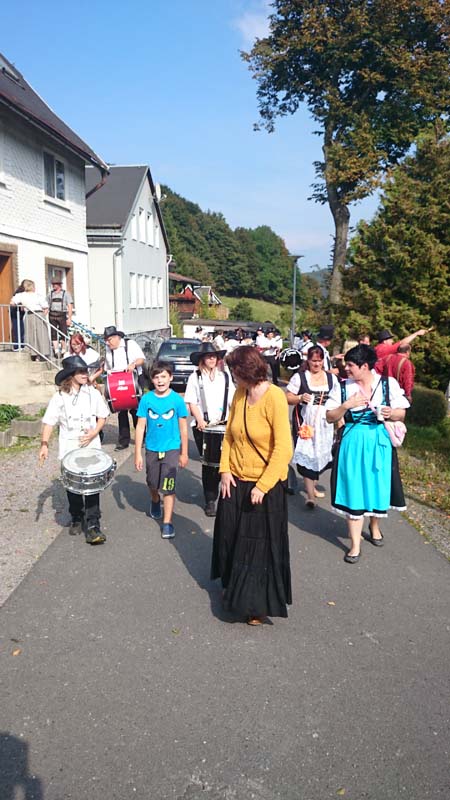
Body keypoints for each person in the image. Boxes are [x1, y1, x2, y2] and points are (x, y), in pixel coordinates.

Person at [211, 346, 293, 625]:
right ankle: (234, 588)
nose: (232, 376)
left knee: (258, 548)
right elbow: (229, 436)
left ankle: (257, 605)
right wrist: (224, 470)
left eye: (234, 371)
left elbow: (283, 448)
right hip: (236, 479)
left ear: (245, 370)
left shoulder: (275, 397)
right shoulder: (240, 393)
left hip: (264, 484)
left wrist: (263, 485)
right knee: (231, 537)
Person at [325, 344, 409, 563]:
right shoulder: (343, 387)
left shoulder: (387, 384)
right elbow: (330, 417)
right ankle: (355, 545)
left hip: (379, 443)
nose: (346, 368)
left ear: (364, 366)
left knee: (376, 486)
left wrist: (391, 412)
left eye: (350, 365)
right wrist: (346, 405)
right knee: (353, 488)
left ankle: (374, 525)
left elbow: (401, 413)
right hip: (352, 443)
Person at [39, 355, 109, 544]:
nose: (86, 374)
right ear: (71, 375)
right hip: (69, 447)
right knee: (73, 486)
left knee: (92, 485)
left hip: (91, 446)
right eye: (81, 371)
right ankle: (77, 516)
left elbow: (103, 416)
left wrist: (94, 432)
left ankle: (93, 525)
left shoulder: (92, 393)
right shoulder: (59, 397)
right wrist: (44, 444)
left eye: (86, 371)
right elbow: (49, 422)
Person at [135, 361, 188, 539]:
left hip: (172, 448)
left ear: (170, 378)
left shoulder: (177, 400)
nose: (160, 381)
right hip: (152, 448)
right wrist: (137, 454)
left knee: (168, 485)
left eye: (164, 376)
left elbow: (183, 428)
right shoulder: (146, 399)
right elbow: (140, 427)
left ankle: (167, 522)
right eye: (156, 377)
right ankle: (155, 499)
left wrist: (184, 452)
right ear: (152, 379)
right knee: (152, 482)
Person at [184, 342, 235, 516]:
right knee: (209, 465)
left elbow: (233, 400)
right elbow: (191, 401)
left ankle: (226, 495)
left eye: (214, 356)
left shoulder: (225, 376)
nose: (212, 359)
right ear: (202, 359)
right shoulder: (195, 377)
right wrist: (200, 420)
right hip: (204, 427)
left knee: (226, 462)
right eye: (208, 356)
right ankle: (210, 499)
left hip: (225, 425)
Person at [286, 346, 338, 508]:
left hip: (325, 424)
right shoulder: (300, 377)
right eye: (313, 360)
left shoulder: (331, 379)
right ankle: (310, 496)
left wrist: (339, 421)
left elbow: (338, 401)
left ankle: (313, 486)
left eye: (319, 361)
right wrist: (300, 397)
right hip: (305, 422)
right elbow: (288, 397)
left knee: (320, 454)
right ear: (308, 360)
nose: (316, 364)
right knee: (307, 453)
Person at [101, 325, 145, 451]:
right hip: (118, 382)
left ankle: (142, 437)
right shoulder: (108, 349)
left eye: (109, 340)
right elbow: (108, 368)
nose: (107, 343)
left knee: (136, 410)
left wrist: (133, 364)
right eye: (106, 340)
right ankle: (123, 441)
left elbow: (141, 359)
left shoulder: (130, 344)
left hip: (134, 379)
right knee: (121, 411)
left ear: (116, 337)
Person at [9, 279, 50, 361]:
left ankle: (36, 354)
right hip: (37, 314)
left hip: (31, 314)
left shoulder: (21, 295)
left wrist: (22, 305)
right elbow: (46, 307)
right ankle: (40, 354)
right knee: (39, 334)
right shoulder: (36, 295)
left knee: (32, 334)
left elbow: (12, 303)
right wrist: (43, 315)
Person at [47, 278, 73, 355]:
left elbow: (70, 306)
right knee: (53, 333)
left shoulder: (66, 293)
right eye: (53, 284)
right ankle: (56, 350)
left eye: (55, 284)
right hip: (52, 315)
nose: (53, 286)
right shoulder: (50, 294)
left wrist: (69, 318)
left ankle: (63, 350)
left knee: (63, 332)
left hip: (62, 315)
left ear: (59, 285)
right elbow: (46, 304)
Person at [9, 281, 26, 350]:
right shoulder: (19, 292)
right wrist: (21, 305)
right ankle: (17, 346)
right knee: (17, 327)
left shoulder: (23, 292)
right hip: (15, 311)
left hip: (19, 312)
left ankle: (21, 345)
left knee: (21, 328)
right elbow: (14, 301)